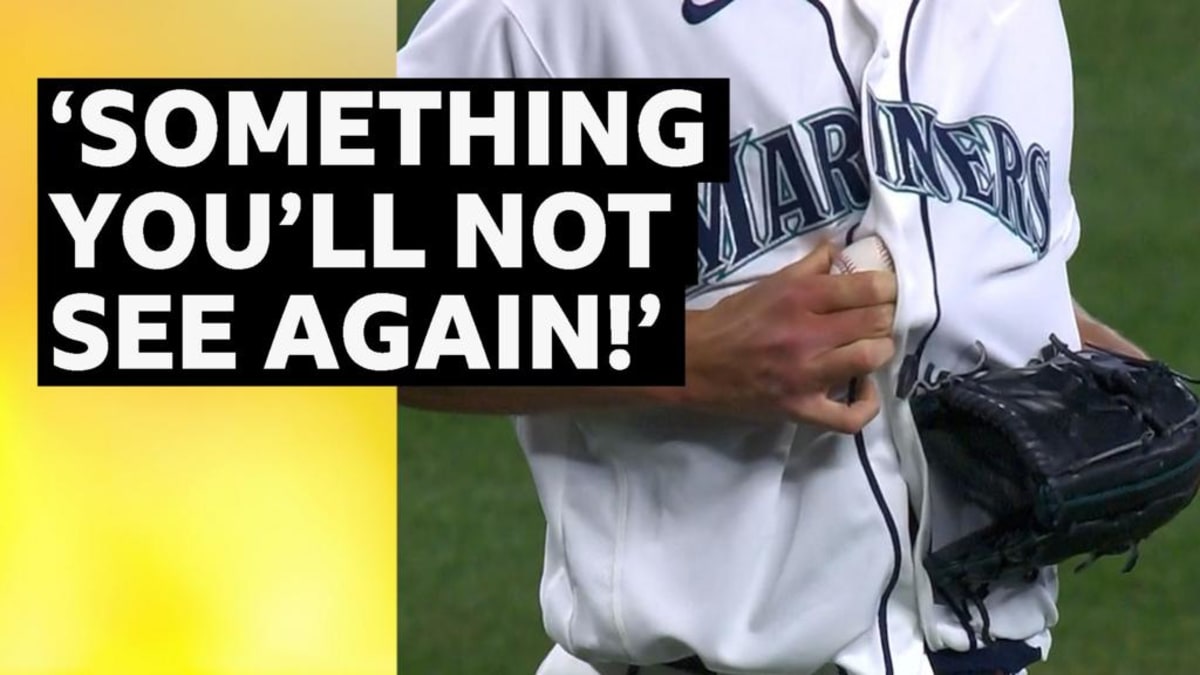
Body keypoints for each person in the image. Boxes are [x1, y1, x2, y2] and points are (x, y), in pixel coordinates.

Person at [395, 1, 1146, 673]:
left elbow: (972, 246)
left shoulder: (1014, 16)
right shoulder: (555, 14)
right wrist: (687, 357)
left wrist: (1078, 348)